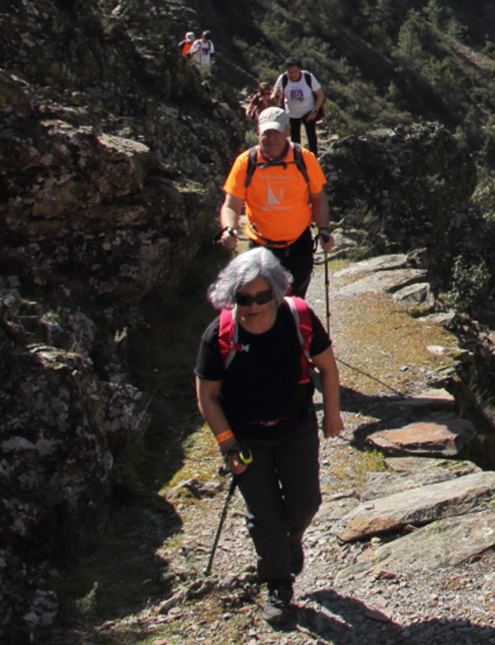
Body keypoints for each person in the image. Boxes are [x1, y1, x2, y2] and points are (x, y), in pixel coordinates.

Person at [195, 247, 342, 628]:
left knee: (305, 505)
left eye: (262, 297)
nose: (253, 306)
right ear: (232, 297)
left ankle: (290, 542)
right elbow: (207, 396)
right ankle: (278, 586)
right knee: (264, 516)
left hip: (296, 429)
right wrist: (227, 443)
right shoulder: (220, 335)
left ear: (277, 293)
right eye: (243, 299)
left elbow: (327, 368)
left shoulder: (299, 318)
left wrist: (332, 414)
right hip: (246, 439)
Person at [220, 107, 330, 298]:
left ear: (287, 131)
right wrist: (228, 228)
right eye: (266, 133)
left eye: (276, 132)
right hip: (260, 246)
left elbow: (319, 199)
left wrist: (324, 230)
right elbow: (231, 204)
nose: (271, 138)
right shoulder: (246, 162)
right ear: (258, 132)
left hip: (299, 245)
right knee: (262, 303)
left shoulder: (304, 159)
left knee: (294, 302)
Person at [272, 59, 325, 152]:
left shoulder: (308, 77)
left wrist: (314, 111)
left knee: (311, 137)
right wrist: (275, 95)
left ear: (300, 69)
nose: (292, 75)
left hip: (308, 111)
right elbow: (275, 97)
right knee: (295, 140)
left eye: (295, 71)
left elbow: (320, 95)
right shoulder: (283, 79)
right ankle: (297, 160)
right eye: (290, 72)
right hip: (292, 113)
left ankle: (313, 159)